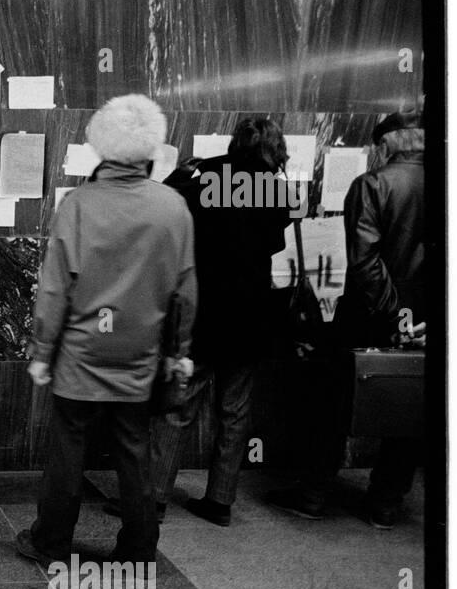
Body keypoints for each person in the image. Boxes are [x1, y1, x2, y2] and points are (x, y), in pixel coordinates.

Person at [16, 94, 196, 565]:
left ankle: (50, 540)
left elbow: (55, 290)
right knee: (134, 454)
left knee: (66, 453)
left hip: (80, 355)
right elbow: (185, 292)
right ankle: (138, 549)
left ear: (102, 146)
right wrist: (178, 351)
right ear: (152, 149)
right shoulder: (173, 208)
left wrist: (41, 352)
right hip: (140, 355)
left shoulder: (78, 205)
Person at [268, 110, 426, 528]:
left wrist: (395, 314)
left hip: (370, 316)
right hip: (428, 322)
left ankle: (313, 494)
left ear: (389, 142)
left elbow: (363, 259)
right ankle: (386, 504)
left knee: (332, 403)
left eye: (379, 144)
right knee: (410, 409)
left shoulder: (373, 184)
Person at [143, 119, 294, 527]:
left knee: (178, 406)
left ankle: (153, 499)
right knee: (235, 411)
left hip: (205, 311)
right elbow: (277, 243)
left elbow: (164, 206)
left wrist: (182, 172)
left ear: (236, 141)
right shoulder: (277, 188)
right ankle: (221, 500)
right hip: (251, 316)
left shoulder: (205, 173)